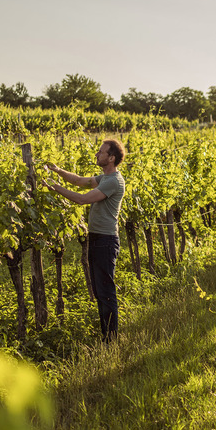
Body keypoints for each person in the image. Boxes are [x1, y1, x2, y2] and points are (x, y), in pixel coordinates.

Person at [42, 139, 126, 343]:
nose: (97, 154)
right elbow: (80, 181)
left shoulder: (114, 181)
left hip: (106, 241)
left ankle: (111, 339)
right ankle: (107, 335)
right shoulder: (104, 178)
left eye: (101, 152)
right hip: (97, 238)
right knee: (100, 290)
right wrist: (59, 170)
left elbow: (82, 198)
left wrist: (55, 188)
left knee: (105, 291)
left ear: (111, 158)